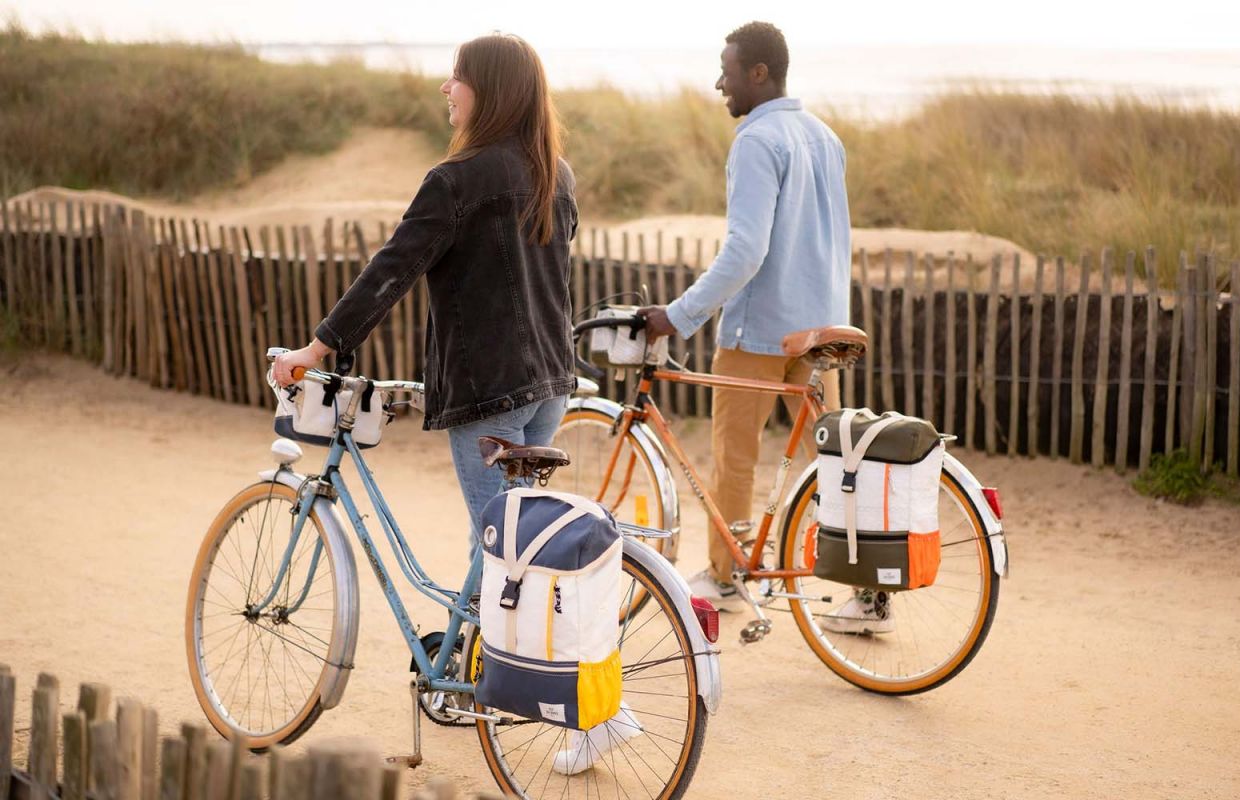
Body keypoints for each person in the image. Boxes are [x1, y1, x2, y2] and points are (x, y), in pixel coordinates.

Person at [272, 33, 578, 555]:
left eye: (457, 76)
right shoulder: (556, 173)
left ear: (490, 89)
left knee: (498, 547)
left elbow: (391, 271)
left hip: (491, 388)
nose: (446, 87)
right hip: (551, 383)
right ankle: (481, 639)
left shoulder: (456, 180)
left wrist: (317, 348)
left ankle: (494, 637)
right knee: (513, 539)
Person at [638, 22, 887, 633]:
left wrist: (680, 314)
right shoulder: (825, 137)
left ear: (759, 73)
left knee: (735, 460)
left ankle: (723, 580)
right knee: (835, 464)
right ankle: (872, 594)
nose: (719, 80)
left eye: (727, 69)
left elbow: (746, 250)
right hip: (821, 330)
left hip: (759, 333)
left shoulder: (756, 141)